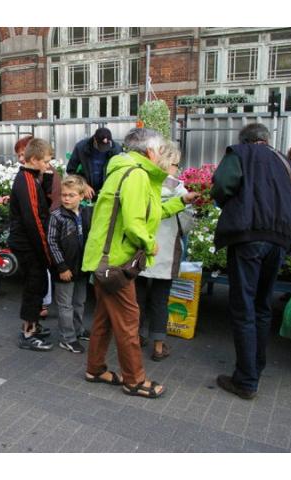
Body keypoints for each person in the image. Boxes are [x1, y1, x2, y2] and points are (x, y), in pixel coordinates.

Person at [82, 128, 195, 399]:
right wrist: (149, 243)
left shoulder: (129, 171)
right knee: (129, 321)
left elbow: (150, 212)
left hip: (104, 260)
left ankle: (95, 369)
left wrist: (181, 202)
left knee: (104, 319)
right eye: (159, 149)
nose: (161, 155)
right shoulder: (136, 175)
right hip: (117, 263)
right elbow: (135, 224)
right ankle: (135, 380)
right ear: (149, 151)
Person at [212, 123, 291, 400]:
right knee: (263, 306)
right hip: (279, 239)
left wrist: (225, 202)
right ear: (266, 140)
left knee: (244, 307)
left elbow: (222, 186)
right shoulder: (285, 161)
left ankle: (246, 380)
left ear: (246, 140)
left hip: (248, 236)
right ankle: (256, 368)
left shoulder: (239, 153)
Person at [135, 141, 197, 361]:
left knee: (138, 297)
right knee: (160, 300)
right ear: (169, 163)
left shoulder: (142, 182)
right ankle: (159, 346)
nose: (177, 169)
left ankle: (137, 336)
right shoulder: (179, 190)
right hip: (167, 252)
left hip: (141, 251)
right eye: (176, 164)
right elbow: (187, 224)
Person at [9, 138, 55, 351]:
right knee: (33, 287)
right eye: (46, 161)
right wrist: (45, 251)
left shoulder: (32, 177)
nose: (48, 165)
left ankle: (33, 326)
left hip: (30, 243)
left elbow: (42, 204)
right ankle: (28, 334)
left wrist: (46, 180)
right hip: (28, 245)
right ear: (34, 160)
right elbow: (34, 219)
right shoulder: (26, 181)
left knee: (38, 286)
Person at [46, 174, 92, 354]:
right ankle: (67, 338)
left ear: (81, 196)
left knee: (80, 301)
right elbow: (52, 243)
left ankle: (78, 330)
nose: (66, 198)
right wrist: (62, 267)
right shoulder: (56, 216)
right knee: (65, 305)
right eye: (64, 195)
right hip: (64, 269)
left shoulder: (86, 213)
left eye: (71, 195)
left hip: (81, 267)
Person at [66, 127, 123, 201]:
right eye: (101, 146)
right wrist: (83, 185)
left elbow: (121, 172)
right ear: (95, 140)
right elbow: (71, 170)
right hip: (87, 193)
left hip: (109, 192)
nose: (103, 149)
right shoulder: (81, 147)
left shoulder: (117, 149)